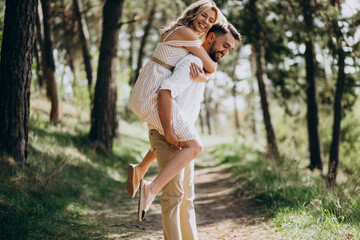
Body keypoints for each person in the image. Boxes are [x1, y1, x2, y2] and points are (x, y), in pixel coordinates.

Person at [148, 23, 242, 239]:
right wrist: (169, 132)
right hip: (172, 137)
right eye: (225, 46)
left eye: (230, 50)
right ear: (210, 38)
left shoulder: (203, 66)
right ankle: (147, 186)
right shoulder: (192, 62)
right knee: (173, 197)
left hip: (185, 139)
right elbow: (166, 91)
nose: (226, 52)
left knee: (186, 199)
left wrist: (206, 77)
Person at [127, 0, 221, 200]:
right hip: (151, 92)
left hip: (146, 87)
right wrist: (205, 75)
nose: (206, 21)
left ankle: (140, 169)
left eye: (211, 20)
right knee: (188, 142)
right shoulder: (186, 34)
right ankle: (151, 189)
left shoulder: (179, 31)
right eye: (203, 15)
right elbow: (211, 66)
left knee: (176, 128)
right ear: (194, 12)